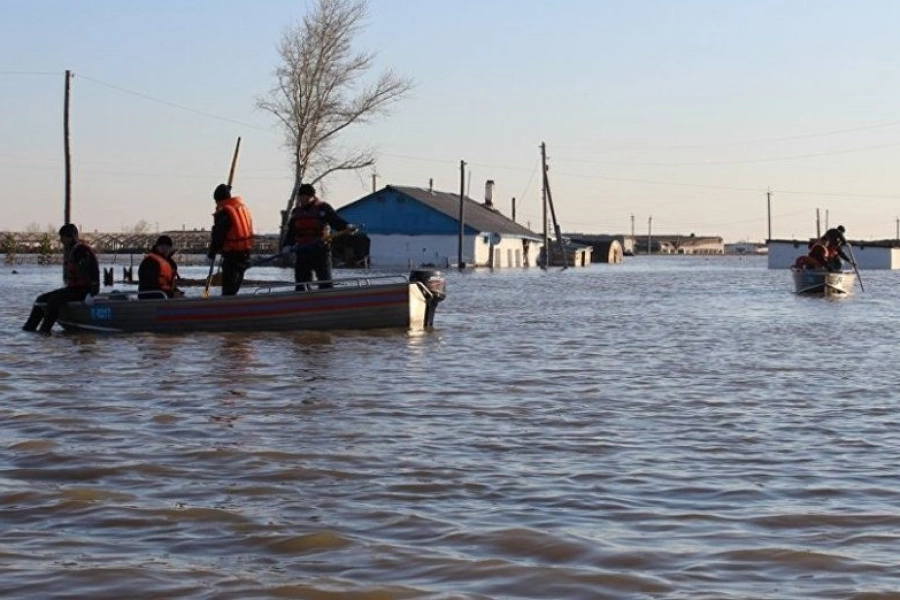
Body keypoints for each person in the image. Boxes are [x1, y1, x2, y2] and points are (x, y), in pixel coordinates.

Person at [23, 223, 100, 333]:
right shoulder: (73, 250)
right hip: (73, 289)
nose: (61, 240)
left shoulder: (82, 251)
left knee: (55, 300)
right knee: (41, 300)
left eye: (62, 237)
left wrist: (92, 292)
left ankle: (45, 331)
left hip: (85, 291)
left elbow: (93, 273)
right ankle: (29, 329)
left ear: (70, 237)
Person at [281, 183, 355, 290]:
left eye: (305, 197)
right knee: (301, 283)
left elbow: (336, 221)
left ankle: (327, 300)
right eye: (301, 197)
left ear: (312, 196)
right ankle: (302, 301)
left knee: (325, 282)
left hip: (320, 250)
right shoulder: (296, 212)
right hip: (302, 250)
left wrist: (347, 226)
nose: (303, 200)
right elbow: (291, 232)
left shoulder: (323, 208)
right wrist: (287, 245)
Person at [207, 183, 254, 295]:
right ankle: (232, 304)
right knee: (234, 286)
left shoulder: (224, 213)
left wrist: (212, 252)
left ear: (218, 200)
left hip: (232, 256)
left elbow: (218, 235)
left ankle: (227, 306)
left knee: (229, 288)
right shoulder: (241, 207)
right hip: (245, 255)